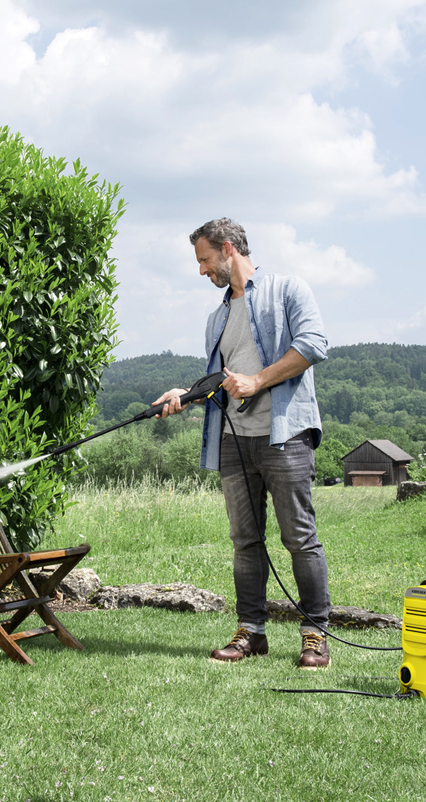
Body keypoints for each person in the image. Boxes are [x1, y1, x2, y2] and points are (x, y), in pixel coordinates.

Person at [154, 218, 332, 668]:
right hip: (234, 442)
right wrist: (185, 395)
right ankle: (251, 632)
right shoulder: (217, 317)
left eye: (204, 259)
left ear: (228, 249)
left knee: (299, 538)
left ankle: (315, 635)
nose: (201, 270)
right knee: (245, 542)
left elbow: (314, 344)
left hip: (284, 436)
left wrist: (258, 380)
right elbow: (221, 383)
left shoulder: (288, 290)